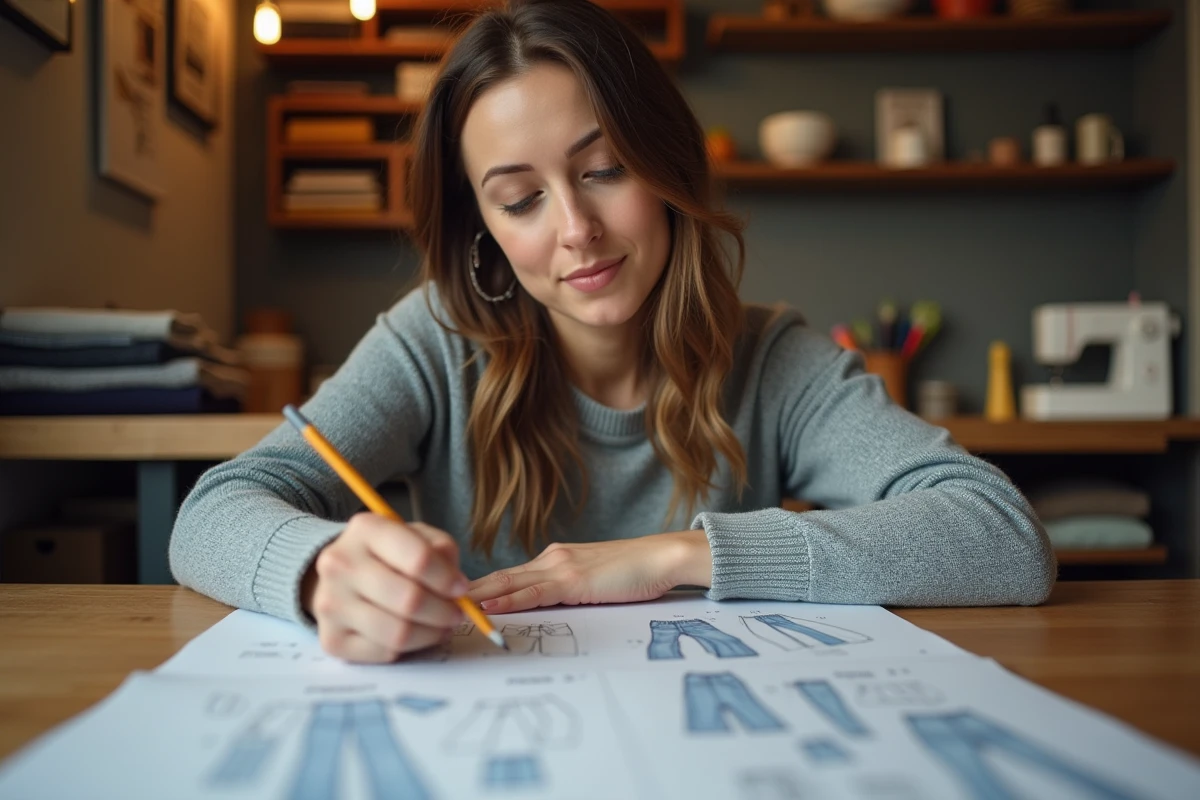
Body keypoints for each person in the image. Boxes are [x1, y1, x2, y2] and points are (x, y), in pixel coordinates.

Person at [170, 0, 1055, 664]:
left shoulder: (774, 361)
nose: (576, 230)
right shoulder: (434, 341)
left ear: (666, 166)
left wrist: (677, 556)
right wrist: (325, 569)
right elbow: (211, 514)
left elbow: (1001, 536)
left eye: (603, 170)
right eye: (520, 200)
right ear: (483, 228)